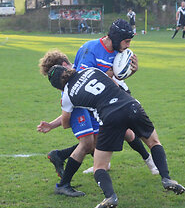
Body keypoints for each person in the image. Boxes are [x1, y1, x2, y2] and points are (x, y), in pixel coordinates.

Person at [37, 20, 159, 196]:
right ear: (63, 65)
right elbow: (69, 115)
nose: (74, 64)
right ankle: (64, 180)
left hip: (96, 100)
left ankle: (65, 158)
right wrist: (55, 124)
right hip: (90, 101)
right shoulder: (85, 59)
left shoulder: (83, 70)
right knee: (90, 143)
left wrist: (127, 73)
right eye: (70, 63)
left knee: (114, 135)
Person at [45, 64, 185, 208]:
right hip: (131, 105)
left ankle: (110, 196)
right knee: (154, 142)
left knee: (99, 166)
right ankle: (166, 178)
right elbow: (115, 84)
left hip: (110, 117)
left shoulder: (67, 95)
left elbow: (66, 123)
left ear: (57, 87)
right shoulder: (91, 70)